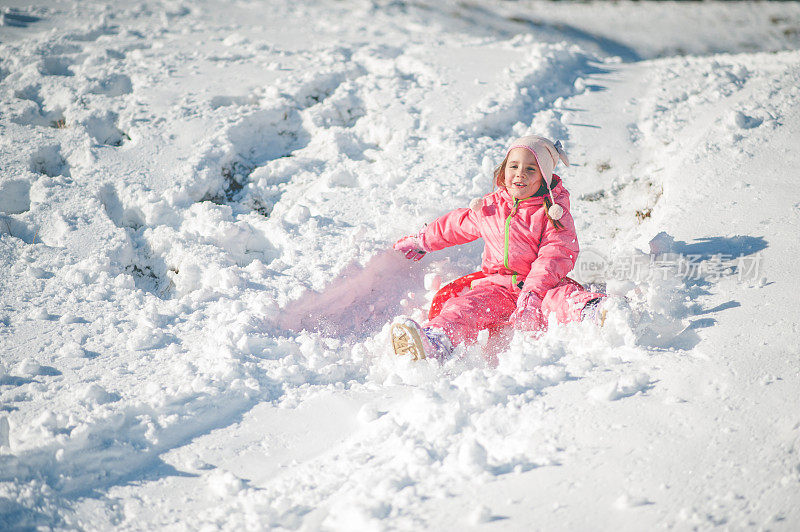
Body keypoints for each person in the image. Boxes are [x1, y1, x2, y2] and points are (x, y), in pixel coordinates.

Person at [391, 135, 608, 361]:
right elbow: (456, 225)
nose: (520, 173)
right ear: (504, 169)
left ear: (543, 178)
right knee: (467, 306)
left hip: (542, 287)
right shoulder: (492, 206)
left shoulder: (552, 213)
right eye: (514, 166)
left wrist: (532, 294)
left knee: (562, 299)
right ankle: (436, 340)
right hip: (498, 287)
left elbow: (556, 254)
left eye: (531, 169)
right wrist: (422, 241)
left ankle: (594, 312)